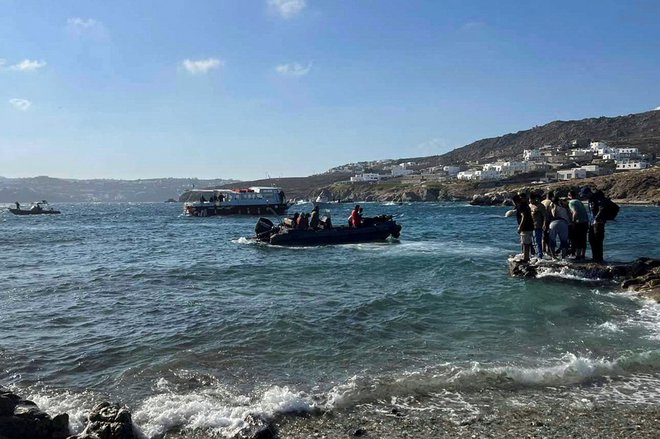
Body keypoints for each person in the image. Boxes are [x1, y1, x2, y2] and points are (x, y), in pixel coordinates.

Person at [582, 187, 607, 263]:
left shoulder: (597, 198)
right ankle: (595, 257)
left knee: (598, 240)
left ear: (589, 193)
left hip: (598, 223)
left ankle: (599, 258)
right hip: (592, 222)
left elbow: (601, 208)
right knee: (591, 239)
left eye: (585, 195)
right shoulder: (590, 200)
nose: (584, 197)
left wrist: (596, 219)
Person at [568, 190, 589, 260]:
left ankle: (578, 255)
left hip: (579, 223)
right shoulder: (579, 201)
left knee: (577, 239)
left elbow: (575, 212)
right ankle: (583, 255)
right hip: (585, 222)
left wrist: (573, 222)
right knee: (583, 239)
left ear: (569, 196)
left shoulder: (571, 202)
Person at [512, 194, 534, 262]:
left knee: (525, 243)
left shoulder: (520, 206)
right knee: (527, 242)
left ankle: (526, 258)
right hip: (530, 226)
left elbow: (524, 216)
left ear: (514, 201)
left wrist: (520, 227)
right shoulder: (526, 205)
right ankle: (527, 256)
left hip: (525, 227)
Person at [529, 194, 546, 259]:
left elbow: (544, 216)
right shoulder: (529, 205)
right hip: (530, 225)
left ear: (534, 199)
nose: (530, 201)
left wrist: (544, 224)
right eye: (529, 199)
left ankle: (540, 254)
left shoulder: (540, 206)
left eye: (531, 199)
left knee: (538, 240)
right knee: (529, 240)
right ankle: (532, 253)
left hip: (538, 225)